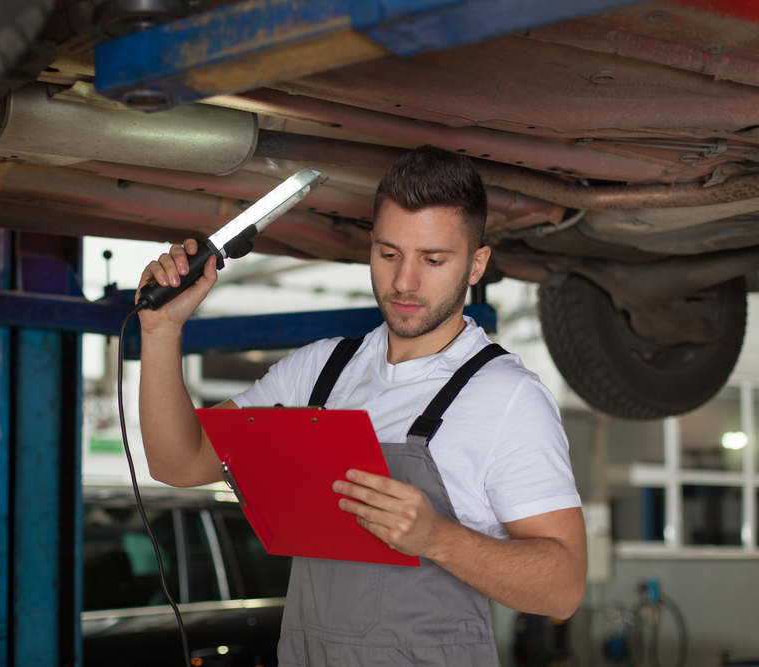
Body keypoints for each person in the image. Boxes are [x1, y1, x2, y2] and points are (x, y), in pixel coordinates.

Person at [136, 145, 587, 666]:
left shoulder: (508, 398)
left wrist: (438, 537)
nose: (404, 283)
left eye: (433, 260)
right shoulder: (318, 374)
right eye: (389, 254)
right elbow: (178, 461)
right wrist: (162, 330)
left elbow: (564, 587)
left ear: (476, 264)